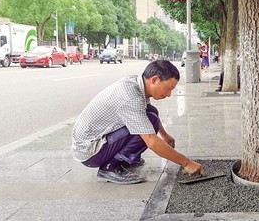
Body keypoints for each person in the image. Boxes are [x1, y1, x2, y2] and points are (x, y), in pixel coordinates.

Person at [72, 60, 204, 184]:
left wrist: (164, 134)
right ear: (155, 80)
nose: (169, 94)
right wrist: (186, 163)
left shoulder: (136, 83)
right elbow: (151, 141)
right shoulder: (131, 98)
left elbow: (148, 114)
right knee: (148, 124)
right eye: (169, 88)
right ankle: (109, 167)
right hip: (90, 152)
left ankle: (125, 157)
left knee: (151, 113)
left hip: (96, 142)